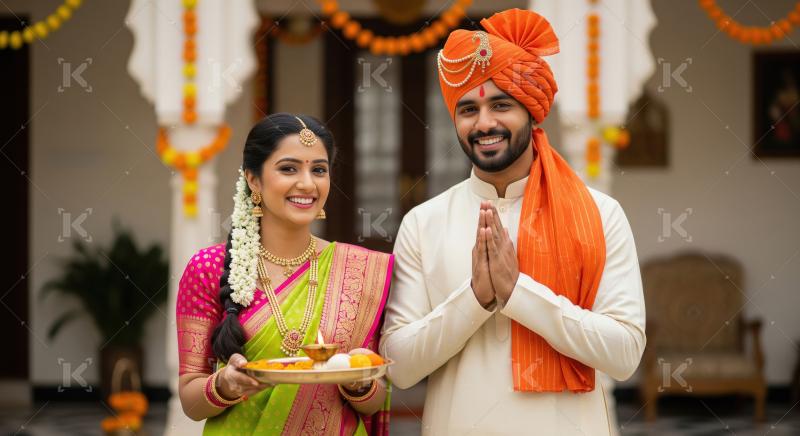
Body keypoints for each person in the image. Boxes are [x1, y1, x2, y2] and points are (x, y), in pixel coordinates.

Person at [380, 9, 646, 435]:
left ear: (531, 111)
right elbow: (400, 366)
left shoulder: (599, 213)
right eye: (468, 109)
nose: (484, 123)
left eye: (501, 104)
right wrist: (476, 299)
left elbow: (625, 353)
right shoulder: (423, 223)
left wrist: (518, 292)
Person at [176, 113, 393, 435]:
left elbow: (375, 402)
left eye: (318, 169)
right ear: (253, 179)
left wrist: (360, 384)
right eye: (288, 168)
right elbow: (191, 402)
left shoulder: (362, 269)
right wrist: (224, 385)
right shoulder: (210, 267)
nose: (307, 183)